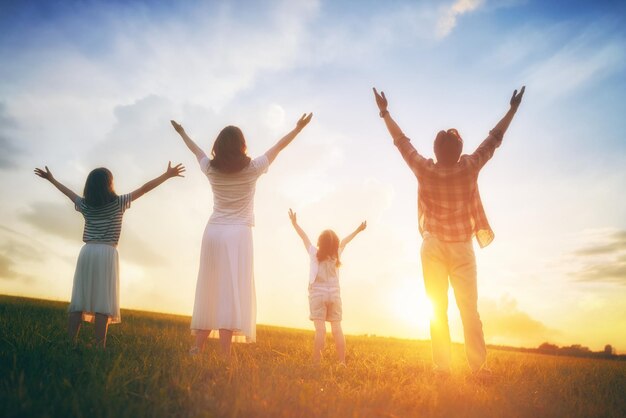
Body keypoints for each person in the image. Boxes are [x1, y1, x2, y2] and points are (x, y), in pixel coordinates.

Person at [373, 86, 525, 374]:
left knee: (437, 309)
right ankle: (479, 369)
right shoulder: (468, 167)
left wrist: (384, 112)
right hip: (462, 249)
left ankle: (442, 367)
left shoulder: (424, 169)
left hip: (433, 247)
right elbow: (494, 140)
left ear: (435, 151)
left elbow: (400, 141)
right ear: (458, 152)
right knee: (469, 311)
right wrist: (513, 110)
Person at [172, 113, 312, 359]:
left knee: (210, 289)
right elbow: (278, 146)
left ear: (218, 147)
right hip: (238, 234)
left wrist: (182, 132)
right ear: (242, 146)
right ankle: (225, 353)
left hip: (213, 231)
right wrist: (297, 129)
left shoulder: (210, 169)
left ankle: (197, 347)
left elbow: (196, 151)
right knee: (231, 291)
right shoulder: (253, 168)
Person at [34, 163, 185, 348]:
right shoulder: (119, 203)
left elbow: (68, 193)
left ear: (89, 186)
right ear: (109, 185)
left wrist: (51, 179)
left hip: (87, 252)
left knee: (79, 299)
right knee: (103, 302)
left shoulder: (84, 205)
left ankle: (71, 342)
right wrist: (167, 175)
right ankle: (99, 346)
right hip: (107, 252)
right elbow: (144, 189)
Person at [288, 208, 366, 365]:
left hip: (317, 295)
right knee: (337, 329)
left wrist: (295, 223)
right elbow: (345, 241)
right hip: (334, 296)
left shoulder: (313, 253)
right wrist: (358, 230)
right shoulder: (337, 254)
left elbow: (303, 237)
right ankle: (342, 362)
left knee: (320, 331)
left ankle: (316, 363)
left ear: (319, 242)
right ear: (335, 244)